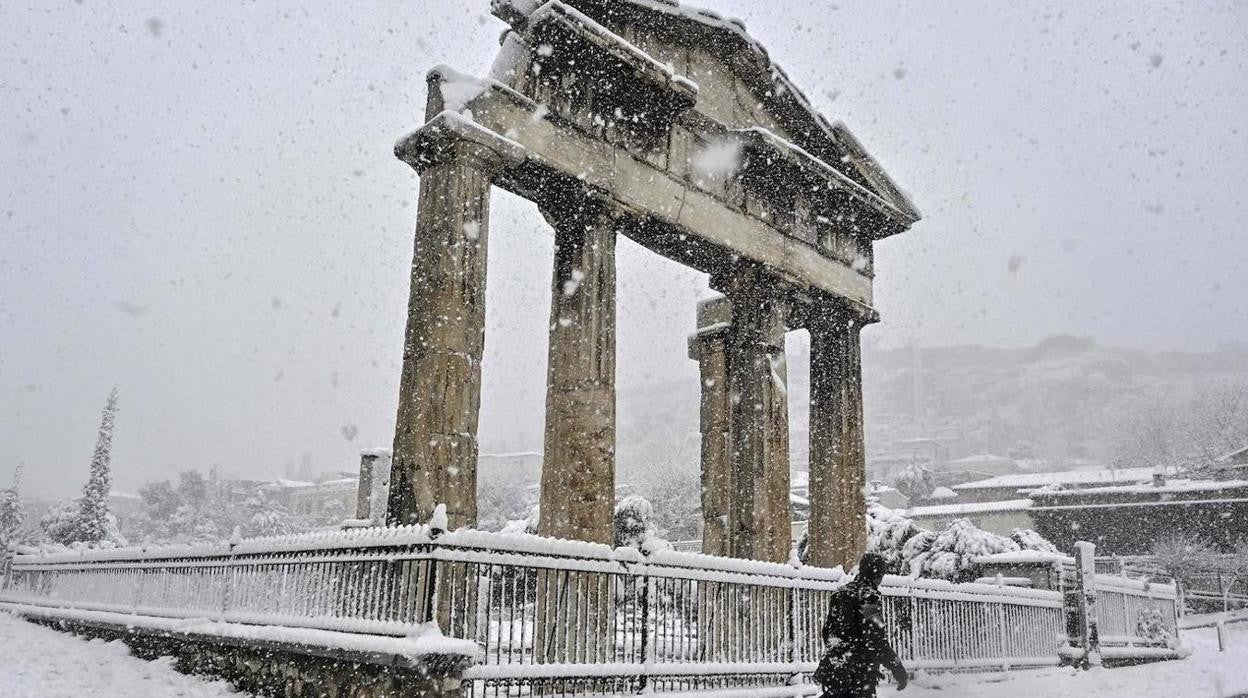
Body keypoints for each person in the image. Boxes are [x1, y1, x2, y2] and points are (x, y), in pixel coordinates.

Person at [812, 553, 908, 697]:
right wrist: (897, 667)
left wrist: (838, 652)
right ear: (879, 575)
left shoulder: (840, 593)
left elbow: (827, 631)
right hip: (857, 674)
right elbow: (875, 639)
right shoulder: (868, 597)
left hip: (834, 668)